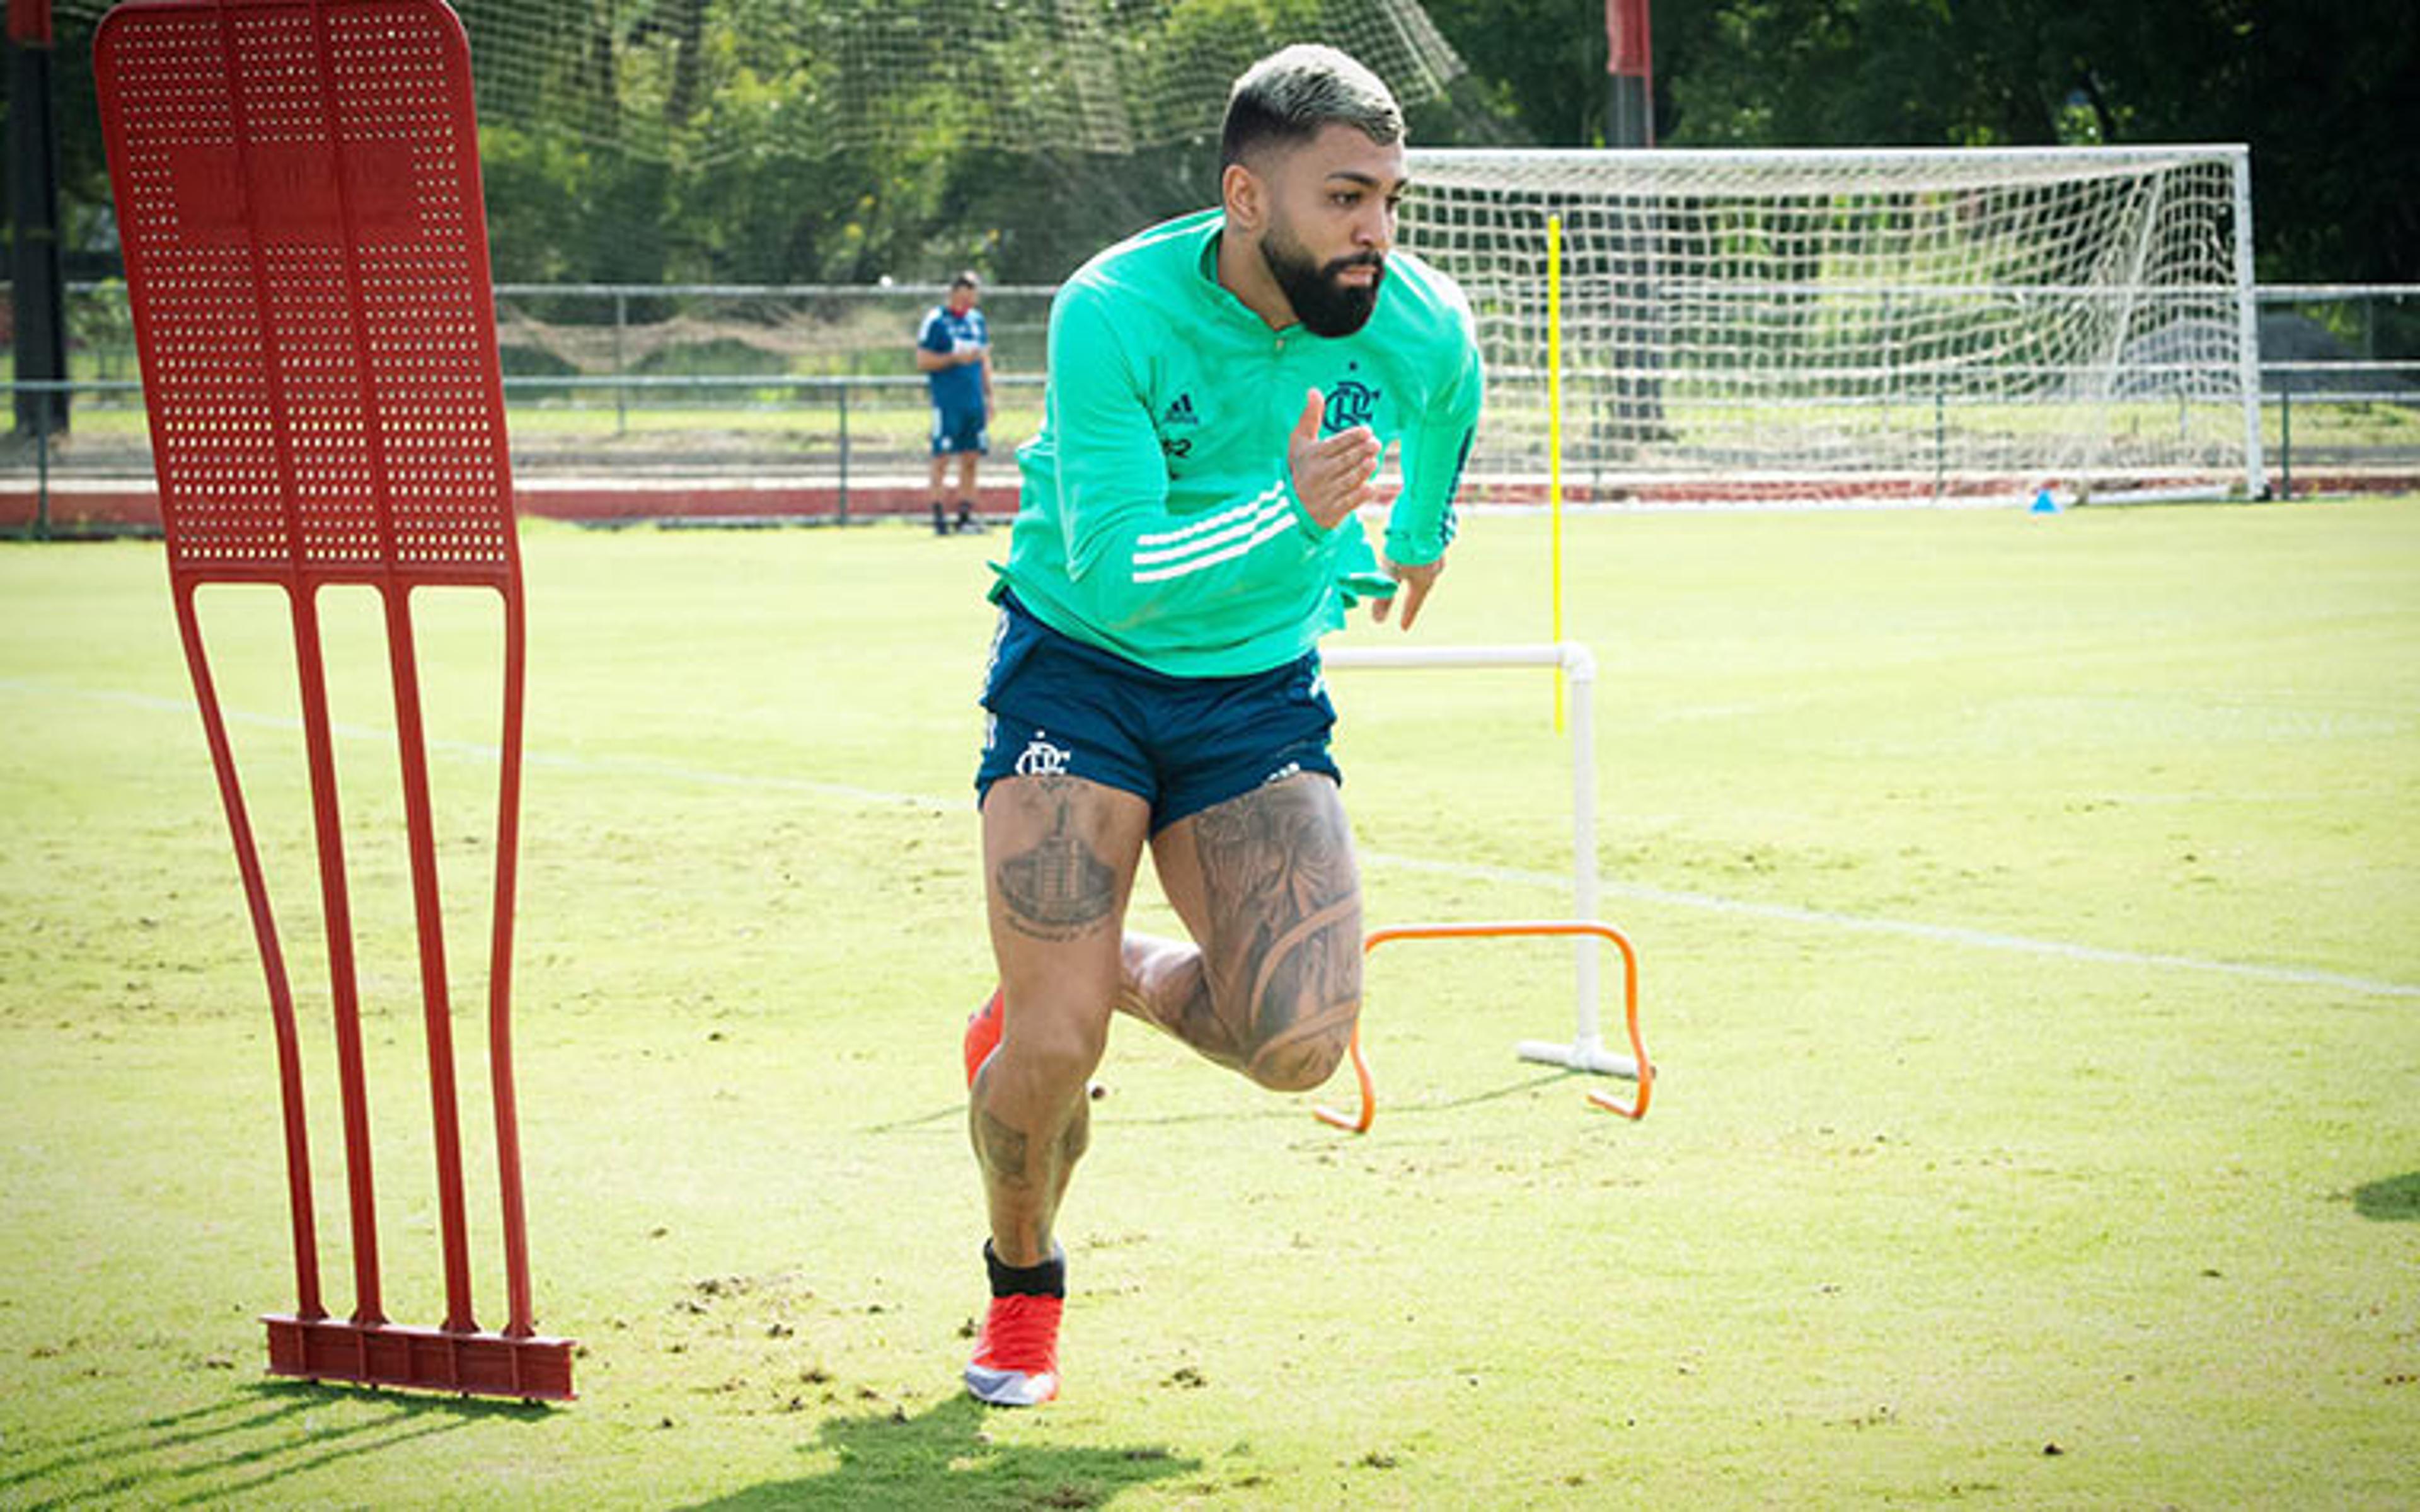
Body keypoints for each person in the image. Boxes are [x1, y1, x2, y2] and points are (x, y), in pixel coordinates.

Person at [957, 43, 1483, 1407]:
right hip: (1083, 667)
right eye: (1344, 200)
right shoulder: (1111, 310)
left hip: (1253, 691)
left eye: (1389, 200)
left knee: (1300, 1044)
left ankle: (1102, 969)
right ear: (1249, 198)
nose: (1375, 234)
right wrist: (1300, 515)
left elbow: (1453, 382)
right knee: (1054, 1051)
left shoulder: (1409, 311)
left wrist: (1421, 526)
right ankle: (1024, 1292)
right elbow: (1120, 562)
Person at [917, 271, 994, 535]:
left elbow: (984, 360)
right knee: (942, 457)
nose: (968, 304)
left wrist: (989, 396)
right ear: (953, 294)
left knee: (971, 458)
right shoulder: (936, 321)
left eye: (972, 298)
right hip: (948, 402)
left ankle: (965, 516)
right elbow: (923, 360)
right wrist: (953, 358)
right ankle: (939, 515)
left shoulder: (977, 321)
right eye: (964, 298)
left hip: (974, 402)